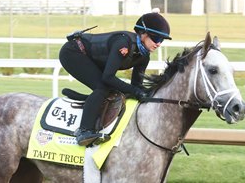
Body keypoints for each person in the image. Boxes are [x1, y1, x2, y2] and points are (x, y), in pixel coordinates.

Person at [59, 11, 171, 147]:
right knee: (102, 87)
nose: (158, 44)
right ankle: (84, 131)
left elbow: (136, 85)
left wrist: (149, 94)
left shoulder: (144, 56)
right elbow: (108, 77)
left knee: (114, 90)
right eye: (156, 39)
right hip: (73, 52)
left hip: (91, 58)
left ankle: (92, 106)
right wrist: (135, 91)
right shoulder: (122, 43)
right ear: (143, 34)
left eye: (161, 40)